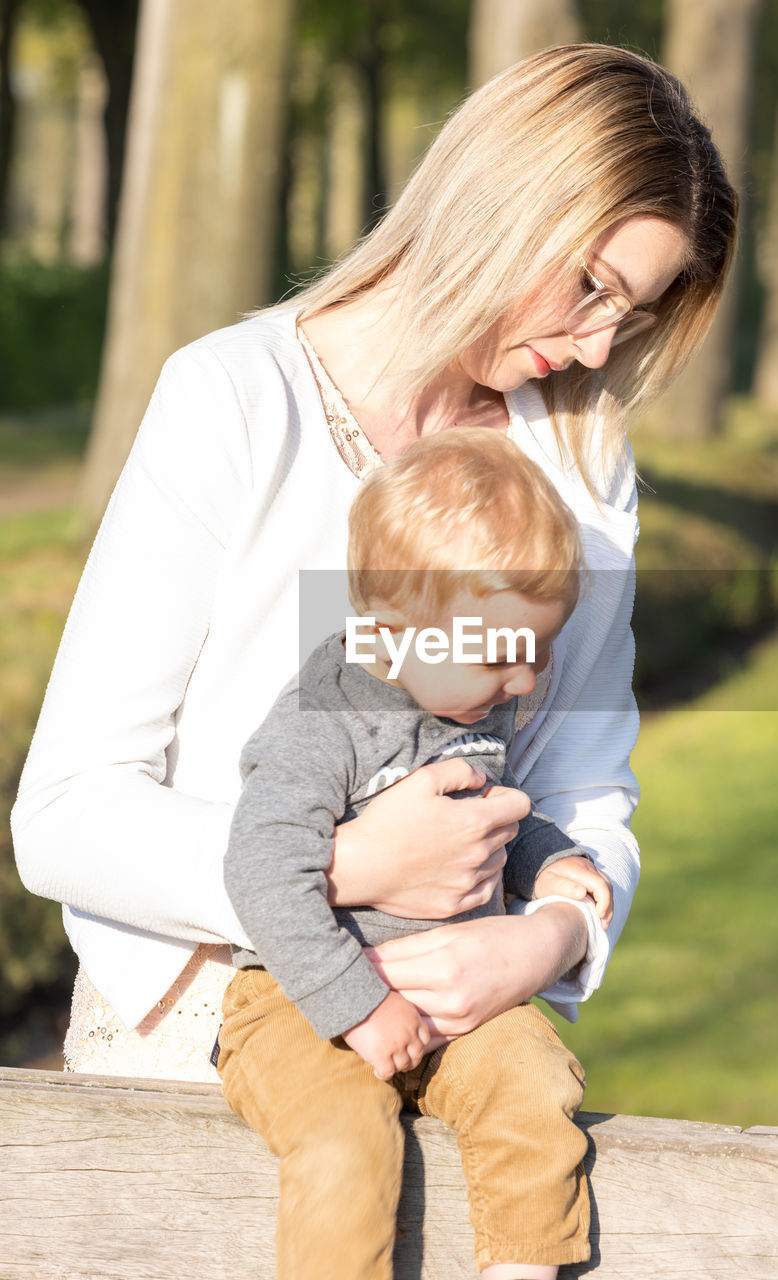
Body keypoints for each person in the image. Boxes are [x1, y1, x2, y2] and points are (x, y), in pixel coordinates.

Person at [11, 44, 737, 1088]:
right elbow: (66, 813)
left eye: (629, 314)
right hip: (195, 1054)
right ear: (498, 195)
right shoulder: (234, 396)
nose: (593, 346)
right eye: (588, 284)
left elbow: (582, 790)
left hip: (449, 1061)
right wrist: (343, 868)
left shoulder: (582, 466)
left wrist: (550, 937)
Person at [219, 430, 613, 1279]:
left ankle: (520, 1267)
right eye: (504, 657)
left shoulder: (476, 697)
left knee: (535, 1084)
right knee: (344, 1138)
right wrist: (358, 1007)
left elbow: (493, 816)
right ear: (395, 635)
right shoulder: (327, 716)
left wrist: (546, 863)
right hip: (301, 995)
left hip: (445, 1007)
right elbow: (259, 868)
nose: (526, 683)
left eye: (539, 651)